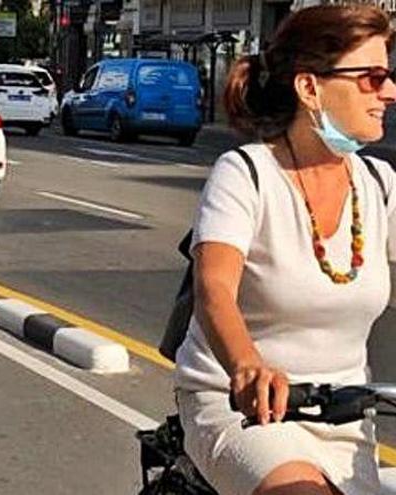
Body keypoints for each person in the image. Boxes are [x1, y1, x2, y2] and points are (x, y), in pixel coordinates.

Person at [174, 5, 396, 495]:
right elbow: (215, 288)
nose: (390, 92)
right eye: (373, 77)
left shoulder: (380, 185)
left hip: (344, 419)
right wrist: (246, 364)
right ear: (310, 87)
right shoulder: (247, 173)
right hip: (244, 410)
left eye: (390, 76)